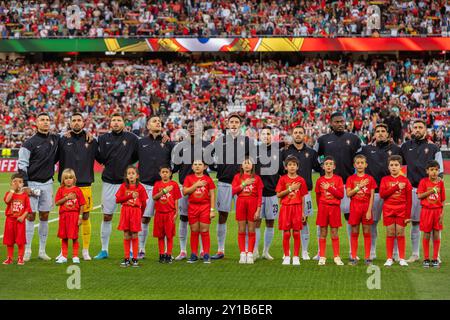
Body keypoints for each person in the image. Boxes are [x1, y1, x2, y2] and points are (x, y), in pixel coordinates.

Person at [314, 112, 362, 260]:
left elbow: (360, 159)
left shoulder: (354, 139)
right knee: (323, 220)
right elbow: (314, 155)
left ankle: (351, 252)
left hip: (347, 185)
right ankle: (319, 252)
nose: (340, 124)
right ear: (331, 123)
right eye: (336, 122)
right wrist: (321, 168)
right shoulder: (322, 140)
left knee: (349, 218)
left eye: (342, 121)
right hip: (327, 186)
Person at [94, 113, 139, 260]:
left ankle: (132, 250)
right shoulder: (102, 139)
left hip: (126, 184)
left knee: (130, 218)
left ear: (124, 123)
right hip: (109, 182)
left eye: (119, 120)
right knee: (107, 216)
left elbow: (137, 154)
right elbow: (98, 156)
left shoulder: (132, 138)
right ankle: (104, 250)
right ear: (110, 123)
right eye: (113, 120)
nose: (116, 122)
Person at [209, 113, 253, 260]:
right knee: (222, 215)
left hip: (242, 184)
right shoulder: (220, 140)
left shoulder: (247, 141)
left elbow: (253, 160)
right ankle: (221, 249)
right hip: (224, 182)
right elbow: (207, 156)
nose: (234, 124)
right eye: (231, 122)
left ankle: (247, 250)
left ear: (240, 125)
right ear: (227, 124)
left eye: (236, 122)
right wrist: (217, 167)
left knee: (246, 217)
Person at [400, 119, 444, 263]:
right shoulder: (406, 146)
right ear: (411, 130)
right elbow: (398, 166)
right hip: (412, 190)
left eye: (420, 127)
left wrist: (436, 190)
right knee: (415, 223)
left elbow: (441, 172)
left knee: (434, 225)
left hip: (430, 191)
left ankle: (436, 255)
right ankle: (415, 253)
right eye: (415, 127)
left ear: (426, 130)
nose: (417, 130)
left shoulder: (434, 148)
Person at [18, 112, 59, 261]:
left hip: (47, 183)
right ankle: (28, 250)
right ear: (36, 123)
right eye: (42, 120)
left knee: (45, 216)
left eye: (48, 120)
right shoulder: (28, 143)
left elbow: (69, 136)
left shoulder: (55, 139)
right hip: (32, 184)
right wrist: (25, 186)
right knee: (30, 216)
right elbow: (22, 165)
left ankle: (42, 250)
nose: (46, 122)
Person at [57, 112, 97, 261]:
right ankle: (64, 252)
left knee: (85, 216)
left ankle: (85, 250)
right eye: (73, 120)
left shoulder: (92, 141)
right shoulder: (62, 140)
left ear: (83, 122)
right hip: (66, 187)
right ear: (69, 122)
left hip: (85, 185)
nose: (76, 123)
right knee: (65, 218)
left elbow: (102, 158)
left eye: (79, 120)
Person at [358, 123, 402, 260]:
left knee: (394, 224)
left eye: (384, 131)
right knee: (372, 223)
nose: (381, 133)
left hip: (393, 193)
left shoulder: (396, 149)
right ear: (374, 134)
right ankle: (372, 251)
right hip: (374, 193)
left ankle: (395, 253)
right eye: (378, 131)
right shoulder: (365, 149)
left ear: (388, 134)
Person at [282, 125, 322, 260]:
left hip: (305, 193)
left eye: (300, 132)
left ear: (304, 135)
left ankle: (304, 251)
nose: (298, 135)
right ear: (292, 135)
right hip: (288, 193)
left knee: (304, 221)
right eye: (295, 133)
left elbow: (319, 168)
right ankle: (286, 252)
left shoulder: (311, 152)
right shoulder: (285, 151)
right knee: (287, 223)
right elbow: (280, 170)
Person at [137, 115, 174, 259]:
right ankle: (141, 249)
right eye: (154, 121)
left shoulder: (168, 143)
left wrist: (171, 175)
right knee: (144, 219)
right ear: (147, 126)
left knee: (165, 219)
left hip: (162, 187)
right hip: (145, 186)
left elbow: (175, 162)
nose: (158, 122)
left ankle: (166, 252)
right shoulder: (140, 143)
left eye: (159, 121)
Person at [172, 119, 209, 261]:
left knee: (201, 220)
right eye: (190, 127)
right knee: (184, 218)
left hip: (202, 186)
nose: (193, 128)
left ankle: (201, 250)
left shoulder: (207, 146)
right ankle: (183, 250)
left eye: (196, 127)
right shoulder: (180, 146)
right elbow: (174, 168)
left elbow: (213, 164)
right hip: (184, 187)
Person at [379, 155, 412, 267]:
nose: (394, 167)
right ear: (388, 167)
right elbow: (383, 195)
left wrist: (407, 215)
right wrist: (396, 187)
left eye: (396, 165)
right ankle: (389, 258)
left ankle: (402, 258)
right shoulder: (384, 179)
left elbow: (409, 200)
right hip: (388, 209)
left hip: (401, 210)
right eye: (391, 165)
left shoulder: (405, 180)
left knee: (400, 233)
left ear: (400, 167)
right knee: (390, 233)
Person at [275, 156, 308, 266]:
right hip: (285, 208)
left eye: (294, 164)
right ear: (286, 167)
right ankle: (287, 256)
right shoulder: (282, 179)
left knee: (297, 233)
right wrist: (290, 189)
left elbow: (303, 197)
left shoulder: (301, 180)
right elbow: (279, 194)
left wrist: (303, 212)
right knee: (286, 233)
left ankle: (295, 257)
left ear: (297, 167)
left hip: (297, 208)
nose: (292, 166)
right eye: (290, 165)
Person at [183, 159, 216, 264]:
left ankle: (206, 254)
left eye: (200, 164)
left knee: (205, 230)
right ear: (192, 167)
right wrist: (196, 185)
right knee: (194, 230)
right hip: (192, 207)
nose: (197, 166)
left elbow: (212, 194)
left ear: (204, 167)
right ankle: (194, 254)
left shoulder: (208, 179)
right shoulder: (189, 178)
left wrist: (212, 210)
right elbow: (185, 192)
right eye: (195, 164)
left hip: (205, 207)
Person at [346, 155, 377, 266]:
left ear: (366, 165)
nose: (359, 164)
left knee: (367, 232)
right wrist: (359, 187)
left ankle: (368, 257)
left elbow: (372, 196)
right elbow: (348, 194)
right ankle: (354, 257)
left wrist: (369, 210)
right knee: (354, 232)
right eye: (357, 163)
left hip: (366, 207)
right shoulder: (350, 179)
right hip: (354, 207)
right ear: (354, 165)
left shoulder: (370, 179)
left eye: (362, 162)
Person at [232, 157, 263, 264]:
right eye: (244, 163)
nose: (246, 165)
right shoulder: (237, 177)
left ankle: (250, 253)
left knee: (251, 230)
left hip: (253, 204)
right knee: (241, 229)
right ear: (241, 166)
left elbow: (260, 196)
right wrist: (244, 183)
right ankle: (242, 254)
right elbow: (233, 191)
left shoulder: (257, 178)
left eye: (249, 163)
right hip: (241, 203)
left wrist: (258, 210)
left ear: (252, 166)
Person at [116, 166, 148, 267]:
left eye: (133, 173)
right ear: (126, 176)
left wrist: (141, 215)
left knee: (134, 234)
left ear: (137, 176)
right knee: (126, 234)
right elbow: (118, 200)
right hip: (125, 211)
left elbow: (144, 203)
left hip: (135, 212)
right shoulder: (123, 186)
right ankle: (126, 258)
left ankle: (134, 259)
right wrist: (130, 196)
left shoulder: (141, 188)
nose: (131, 175)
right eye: (128, 173)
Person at [315, 156, 345, 266]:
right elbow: (318, 196)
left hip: (334, 208)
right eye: (326, 164)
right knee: (323, 232)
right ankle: (322, 257)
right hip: (323, 208)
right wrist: (321, 207)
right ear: (323, 167)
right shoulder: (319, 180)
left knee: (334, 232)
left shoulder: (338, 179)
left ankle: (336, 256)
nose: (328, 165)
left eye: (330, 164)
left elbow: (341, 195)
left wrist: (329, 188)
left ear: (334, 166)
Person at [417, 160, 445, 268]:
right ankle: (426, 258)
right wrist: (431, 191)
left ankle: (435, 259)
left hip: (437, 211)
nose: (434, 172)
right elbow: (419, 196)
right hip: (426, 211)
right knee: (427, 233)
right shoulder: (423, 182)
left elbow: (442, 200)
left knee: (436, 234)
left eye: (436, 170)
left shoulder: (441, 183)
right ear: (427, 171)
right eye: (432, 170)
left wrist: (442, 214)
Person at [54, 169, 86, 264]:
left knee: (74, 237)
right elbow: (57, 203)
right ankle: (64, 256)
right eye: (66, 178)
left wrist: (80, 217)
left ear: (74, 179)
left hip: (74, 216)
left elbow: (82, 204)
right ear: (63, 179)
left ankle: (75, 256)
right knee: (64, 237)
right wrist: (67, 198)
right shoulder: (61, 190)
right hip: (64, 216)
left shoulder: (77, 190)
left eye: (70, 178)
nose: (68, 180)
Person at [152, 165, 182, 263]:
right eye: (163, 172)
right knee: (160, 236)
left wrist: (176, 212)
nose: (165, 174)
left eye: (167, 172)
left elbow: (176, 199)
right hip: (159, 214)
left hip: (170, 213)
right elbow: (155, 197)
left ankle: (168, 255)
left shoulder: (174, 184)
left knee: (169, 236)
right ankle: (161, 255)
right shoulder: (157, 184)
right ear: (160, 174)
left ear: (170, 174)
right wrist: (164, 191)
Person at [2, 173, 32, 265]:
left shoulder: (25, 196)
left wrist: (23, 217)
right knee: (9, 241)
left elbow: (28, 208)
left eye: (20, 182)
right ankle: (9, 258)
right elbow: (7, 200)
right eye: (14, 182)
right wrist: (12, 190)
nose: (17, 184)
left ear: (23, 184)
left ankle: (20, 258)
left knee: (20, 241)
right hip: (10, 221)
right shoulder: (9, 194)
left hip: (20, 222)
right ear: (11, 184)